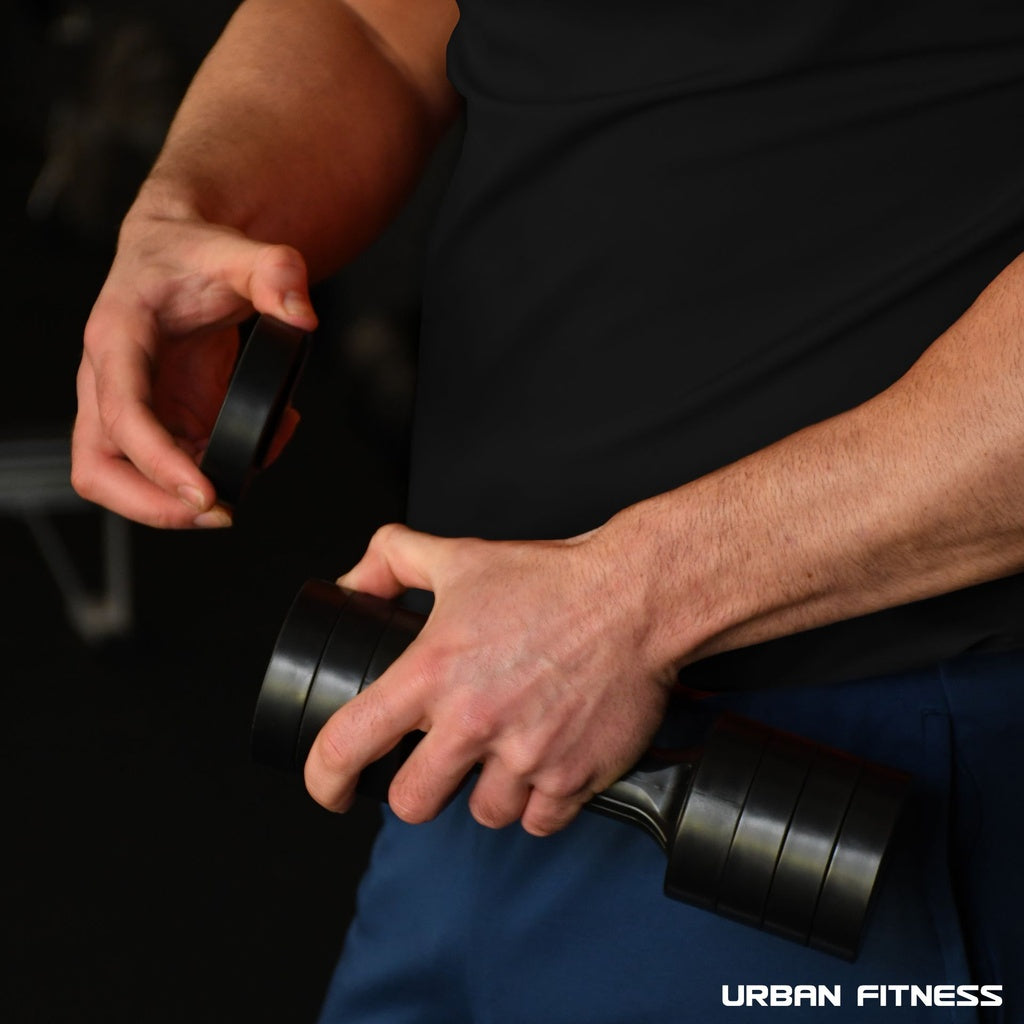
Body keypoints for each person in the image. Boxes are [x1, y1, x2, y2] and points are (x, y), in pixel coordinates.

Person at [72, 0, 1024, 1020]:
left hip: (837, 766)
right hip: (490, 710)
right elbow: (373, 25)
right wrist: (197, 211)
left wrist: (633, 601)